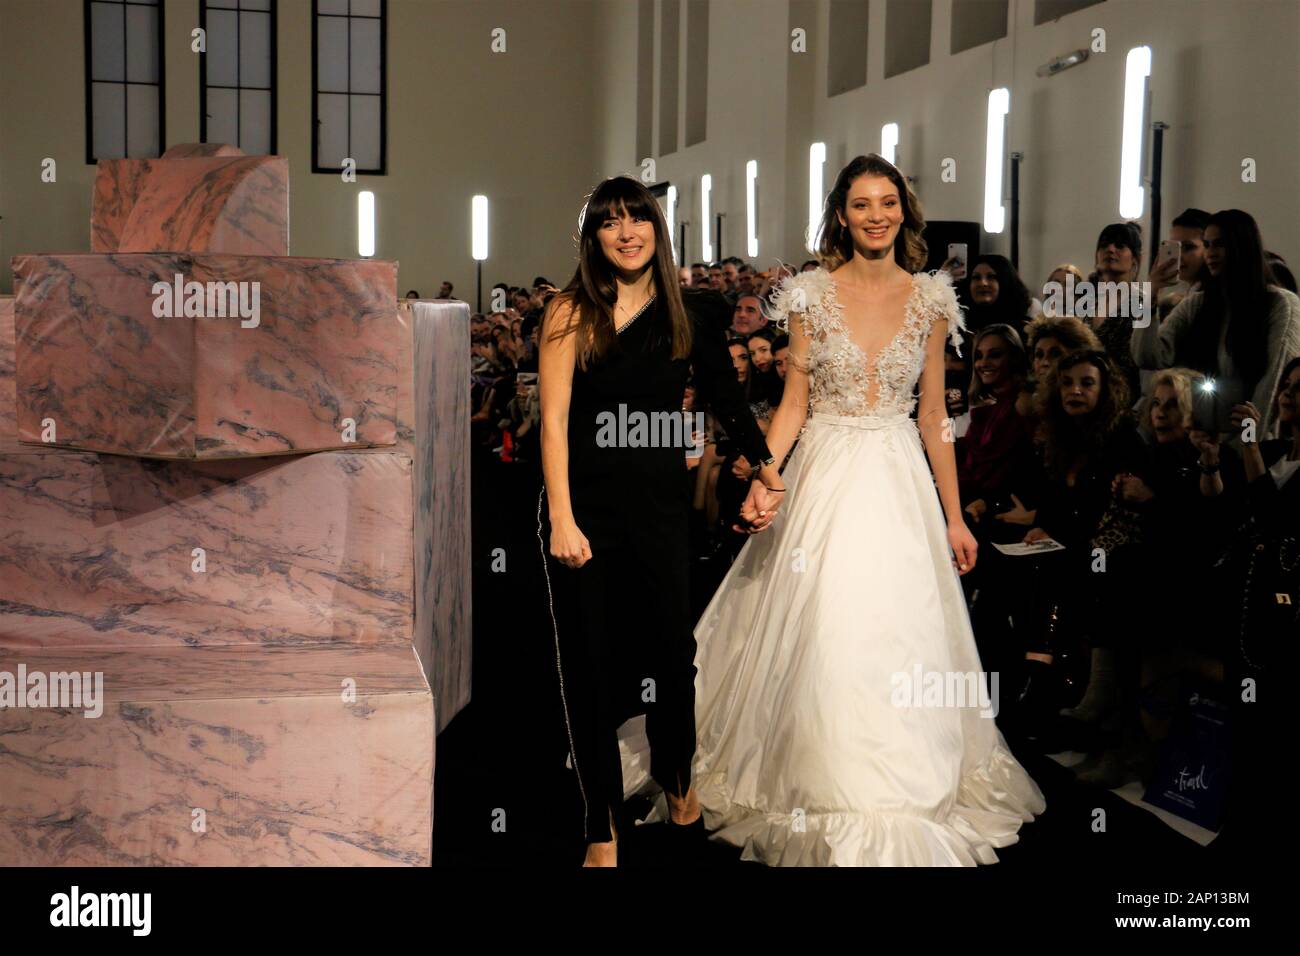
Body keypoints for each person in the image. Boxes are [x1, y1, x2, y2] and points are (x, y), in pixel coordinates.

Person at [626, 154, 1045, 866]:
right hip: (824, 472)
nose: (875, 215)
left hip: (900, 482)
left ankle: (906, 779)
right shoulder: (810, 296)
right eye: (860, 205)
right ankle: (818, 775)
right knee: (825, 621)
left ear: (904, 211)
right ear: (841, 215)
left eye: (887, 202)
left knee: (900, 629)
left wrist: (953, 516)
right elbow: (793, 404)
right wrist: (767, 473)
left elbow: (936, 417)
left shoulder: (932, 301)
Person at [536, 176, 781, 867]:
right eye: (609, 222)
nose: (625, 233)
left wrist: (763, 467)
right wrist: (561, 517)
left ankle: (678, 781)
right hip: (582, 509)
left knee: (673, 661)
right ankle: (600, 825)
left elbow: (729, 399)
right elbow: (552, 422)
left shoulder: (690, 310)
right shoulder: (568, 311)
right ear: (593, 237)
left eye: (637, 219)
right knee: (587, 667)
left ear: (656, 229)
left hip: (659, 511)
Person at [1132, 208, 1300, 440]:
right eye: (1207, 245)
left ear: (1242, 246)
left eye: (1219, 244)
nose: (1210, 253)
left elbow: (1271, 386)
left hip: (1248, 451)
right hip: (1196, 445)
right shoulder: (1198, 303)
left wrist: (1247, 448)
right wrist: (1149, 295)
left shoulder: (1279, 303)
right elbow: (1147, 356)